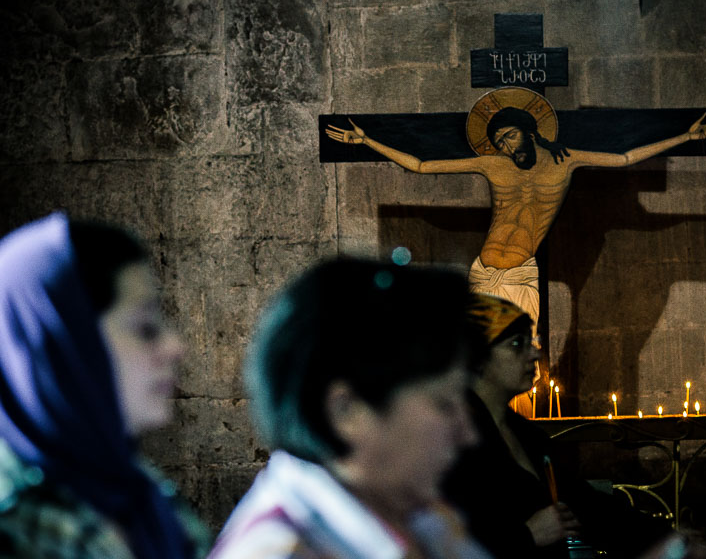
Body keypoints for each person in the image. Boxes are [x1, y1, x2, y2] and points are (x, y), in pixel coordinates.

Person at [325, 91, 706, 339]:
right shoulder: (492, 165)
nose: (504, 145)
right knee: (477, 356)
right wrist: (366, 141)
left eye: (509, 135)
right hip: (484, 271)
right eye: (498, 141)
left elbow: (624, 158)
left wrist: (686, 136)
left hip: (520, 274)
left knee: (518, 355)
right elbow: (421, 165)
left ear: (529, 131)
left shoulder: (566, 161)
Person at [209, 257, 491, 559]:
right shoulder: (278, 551)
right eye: (444, 403)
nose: (468, 435)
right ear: (346, 410)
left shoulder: (424, 518)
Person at [0, 213, 209, 558]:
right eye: (146, 328)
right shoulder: (13, 525)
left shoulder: (147, 496)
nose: (176, 347)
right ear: (66, 346)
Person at [442, 293, 669, 558]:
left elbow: (587, 507)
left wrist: (672, 543)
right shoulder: (452, 441)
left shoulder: (528, 436)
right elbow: (439, 539)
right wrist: (526, 536)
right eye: (516, 344)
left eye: (531, 342)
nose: (535, 354)